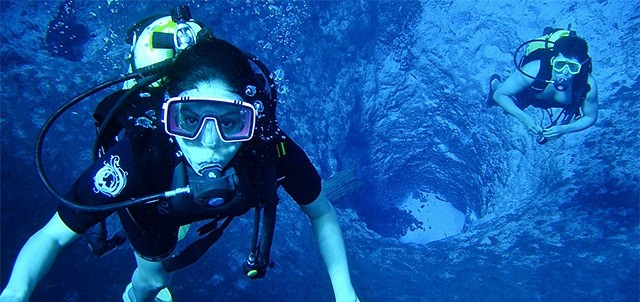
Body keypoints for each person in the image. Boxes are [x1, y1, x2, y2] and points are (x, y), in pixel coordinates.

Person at [0, 9, 359, 302]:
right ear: (166, 117)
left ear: (251, 118)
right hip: (154, 213)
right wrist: (16, 292)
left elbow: (321, 211)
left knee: (172, 249)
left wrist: (345, 294)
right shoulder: (140, 155)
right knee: (153, 279)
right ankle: (134, 297)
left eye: (230, 122)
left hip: (177, 200)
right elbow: (52, 235)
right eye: (188, 120)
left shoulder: (267, 146)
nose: (209, 143)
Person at [488, 32, 598, 144]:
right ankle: (495, 82)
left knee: (511, 105)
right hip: (532, 91)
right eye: (560, 65)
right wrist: (524, 118)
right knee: (508, 102)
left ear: (580, 67)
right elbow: (500, 95)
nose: (564, 73)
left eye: (572, 67)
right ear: (552, 62)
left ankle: (549, 32)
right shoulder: (533, 70)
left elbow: (590, 117)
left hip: (541, 94)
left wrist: (564, 129)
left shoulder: (587, 85)